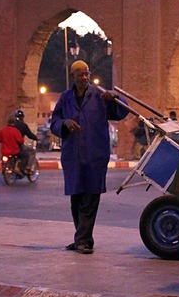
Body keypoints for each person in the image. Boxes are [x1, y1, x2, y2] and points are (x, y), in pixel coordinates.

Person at [50, 60, 129, 254]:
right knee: (76, 198)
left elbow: (122, 111)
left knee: (90, 198)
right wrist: (65, 122)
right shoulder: (65, 98)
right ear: (73, 77)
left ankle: (82, 240)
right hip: (73, 156)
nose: (85, 78)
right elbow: (54, 122)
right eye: (80, 74)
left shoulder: (100, 96)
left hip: (95, 154)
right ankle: (83, 238)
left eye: (87, 74)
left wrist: (115, 98)